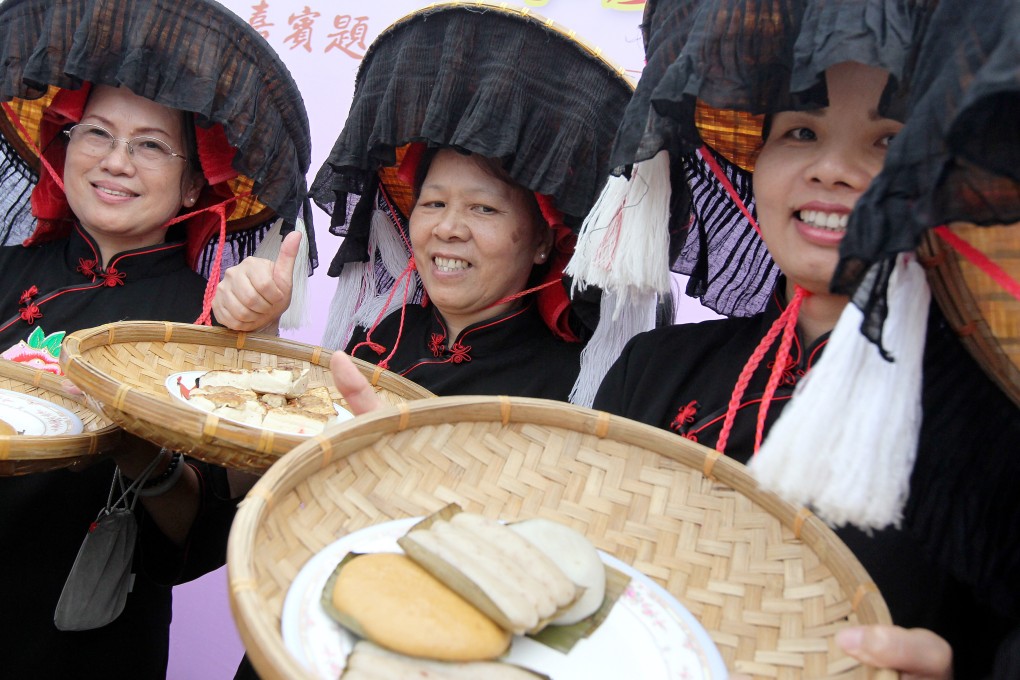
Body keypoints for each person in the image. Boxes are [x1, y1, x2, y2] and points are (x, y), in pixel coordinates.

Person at [575, 0, 1018, 677]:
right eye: (802, 133)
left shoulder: (994, 424)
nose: (832, 169)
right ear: (756, 166)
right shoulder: (654, 368)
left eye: (889, 141)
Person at [0, 0, 314, 676]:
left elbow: (208, 538)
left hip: (84, 644)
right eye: (96, 134)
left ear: (194, 179)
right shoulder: (7, 267)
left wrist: (256, 340)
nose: (116, 162)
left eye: (149, 145)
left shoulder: (210, 321)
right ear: (65, 144)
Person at [215, 4, 633, 402]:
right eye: (433, 203)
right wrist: (261, 330)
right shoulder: (381, 340)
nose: (447, 227)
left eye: (483, 208)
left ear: (545, 239)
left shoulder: (571, 382)